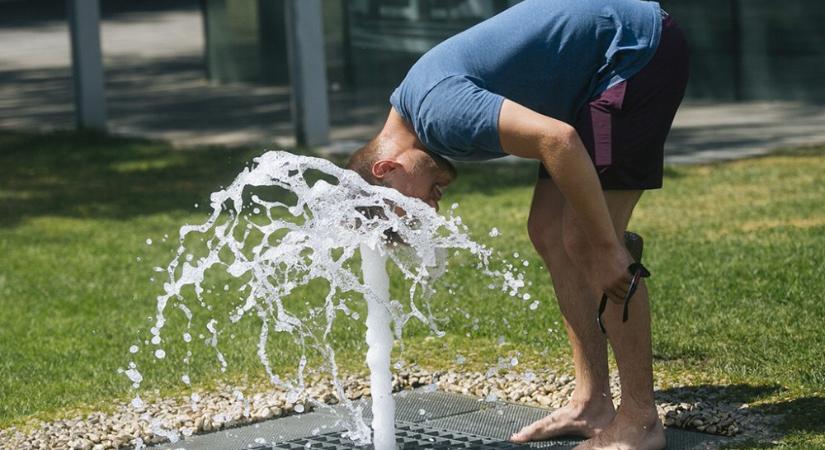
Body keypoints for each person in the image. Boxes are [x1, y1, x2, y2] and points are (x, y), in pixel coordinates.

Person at [346, 0, 689, 448]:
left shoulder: (439, 114)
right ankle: (593, 402)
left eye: (408, 209)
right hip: (595, 71)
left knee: (588, 242)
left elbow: (558, 139)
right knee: (548, 231)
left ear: (386, 170)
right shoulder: (418, 111)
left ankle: (642, 422)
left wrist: (606, 248)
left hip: (633, 51)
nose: (429, 212)